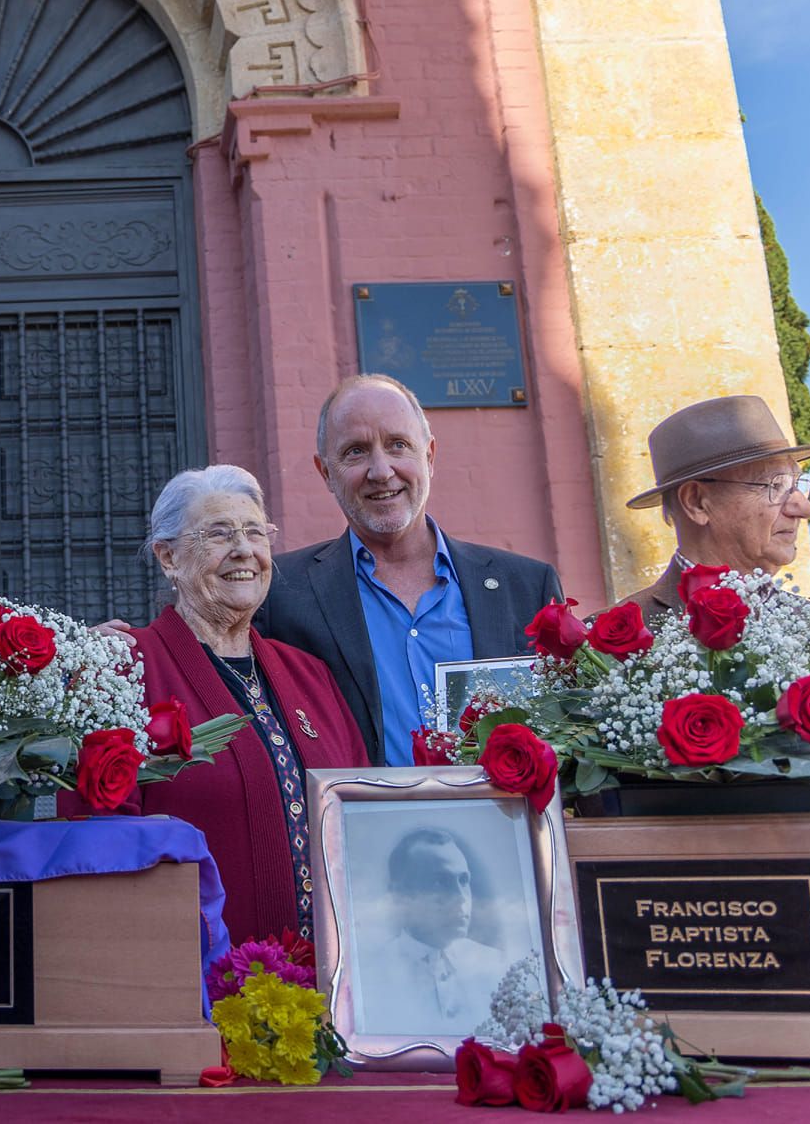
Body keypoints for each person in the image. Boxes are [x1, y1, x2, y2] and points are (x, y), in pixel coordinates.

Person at [69, 465, 367, 945]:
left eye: (254, 532)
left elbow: (360, 819)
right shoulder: (122, 671)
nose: (244, 550)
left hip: (331, 987)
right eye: (219, 534)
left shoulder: (311, 676)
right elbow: (100, 848)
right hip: (194, 989)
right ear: (168, 557)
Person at [258, 375, 564, 768]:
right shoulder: (282, 594)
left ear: (430, 456)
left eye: (398, 445)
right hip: (358, 825)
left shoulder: (526, 588)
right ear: (325, 474)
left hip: (501, 823)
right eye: (355, 451)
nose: (381, 471)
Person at [616, 395, 810, 618]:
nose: (804, 509)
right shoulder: (604, 642)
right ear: (696, 502)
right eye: (775, 485)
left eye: (797, 484)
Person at [374, 826, 510, 1033]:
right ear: (399, 893)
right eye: (440, 882)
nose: (461, 898)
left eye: (463, 880)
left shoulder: (499, 967)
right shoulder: (372, 975)